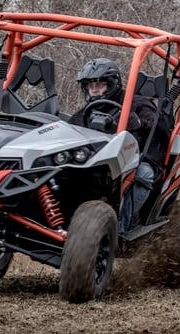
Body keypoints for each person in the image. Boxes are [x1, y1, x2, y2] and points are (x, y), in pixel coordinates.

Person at [68, 58, 157, 232]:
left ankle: (122, 227)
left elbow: (157, 124)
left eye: (99, 84)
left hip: (136, 157)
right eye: (89, 85)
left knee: (144, 175)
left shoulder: (136, 102)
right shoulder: (85, 112)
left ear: (112, 84)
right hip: (95, 159)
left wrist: (138, 122)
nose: (94, 89)